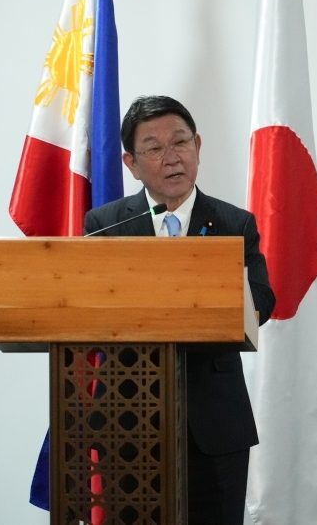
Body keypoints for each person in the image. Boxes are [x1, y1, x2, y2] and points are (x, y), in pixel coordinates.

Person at [84, 95, 276, 525]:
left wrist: (210, 294)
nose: (171, 158)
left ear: (199, 147)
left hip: (214, 422)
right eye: (153, 148)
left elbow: (263, 301)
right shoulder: (105, 225)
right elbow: (92, 309)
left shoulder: (234, 224)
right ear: (131, 164)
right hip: (127, 419)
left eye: (181, 142)